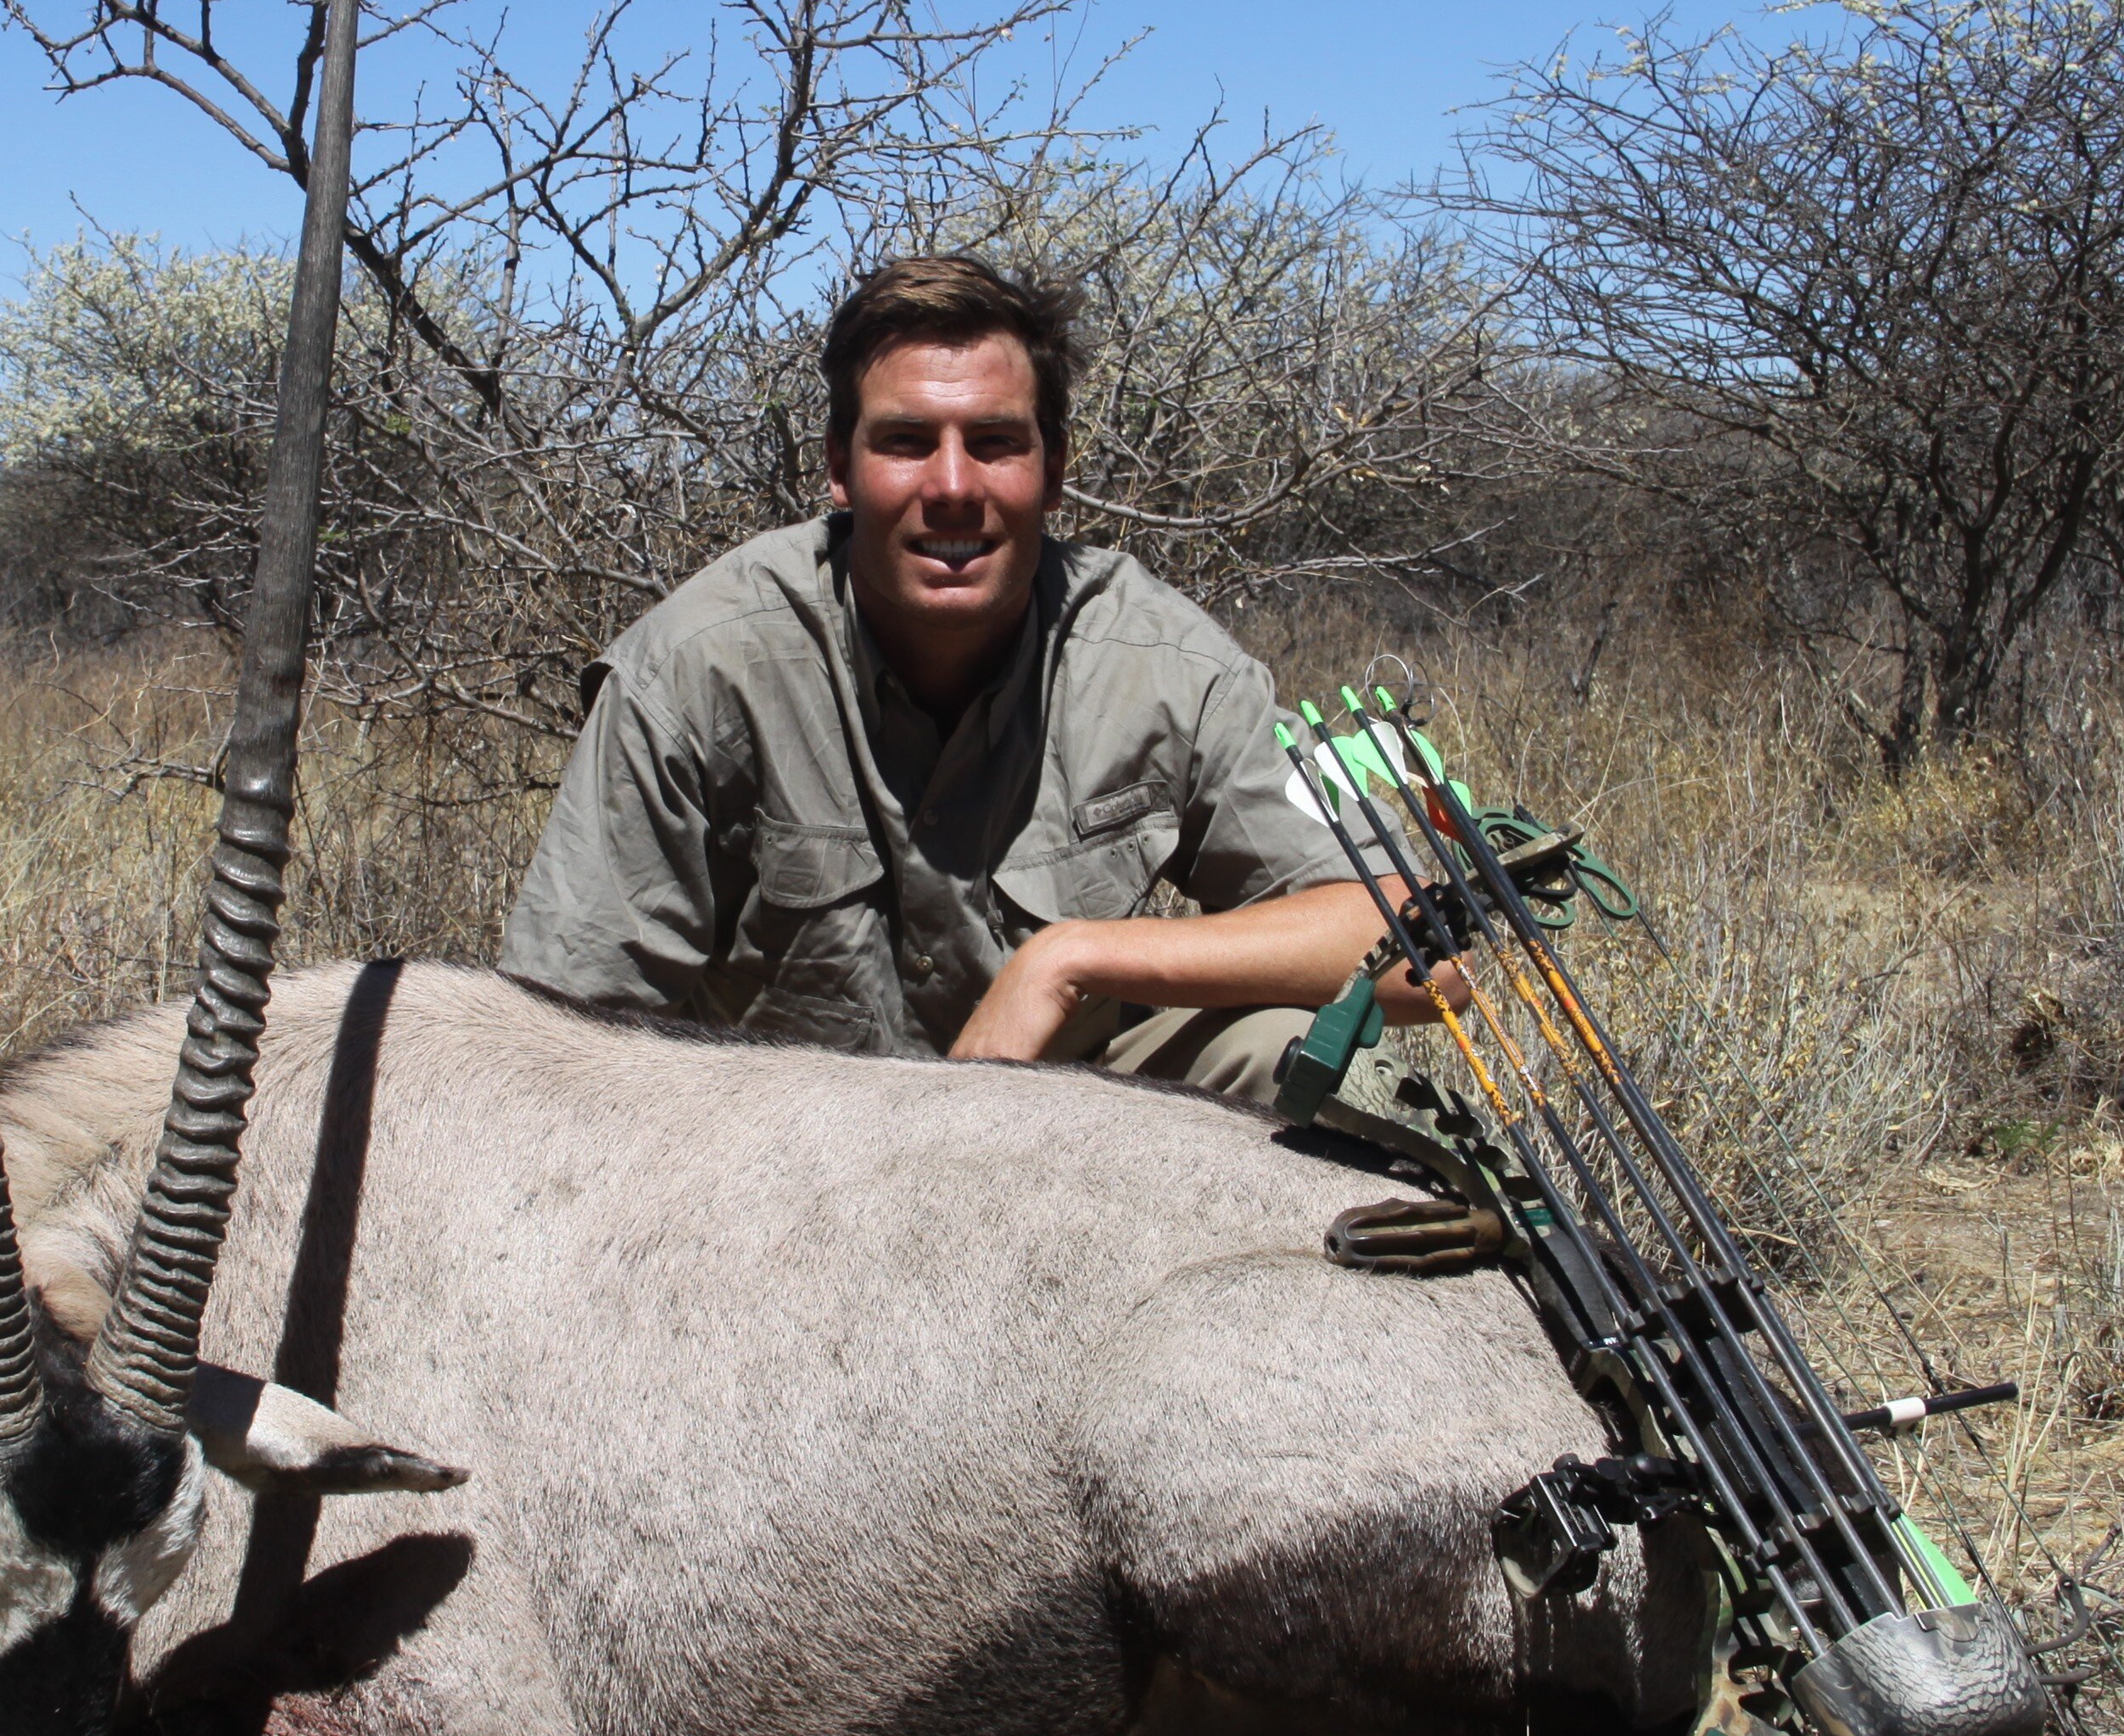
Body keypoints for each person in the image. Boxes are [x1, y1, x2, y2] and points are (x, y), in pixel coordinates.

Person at [499, 253, 1437, 1115]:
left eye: (994, 442)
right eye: (906, 441)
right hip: (775, 1167)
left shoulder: (1165, 663)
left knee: (1329, 1061)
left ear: (1054, 471)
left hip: (1060, 1129)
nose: (952, 485)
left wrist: (1066, 960)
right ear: (840, 470)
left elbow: (1418, 952)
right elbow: (554, 1047)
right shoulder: (694, 667)